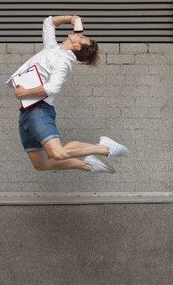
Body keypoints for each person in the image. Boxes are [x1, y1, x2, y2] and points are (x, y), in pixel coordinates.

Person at [7, 15, 130, 173]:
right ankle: (88, 165)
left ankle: (105, 148)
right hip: (26, 112)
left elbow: (52, 87)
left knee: (57, 153)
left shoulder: (64, 61)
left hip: (39, 109)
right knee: (41, 164)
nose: (80, 33)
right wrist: (69, 18)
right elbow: (49, 23)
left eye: (83, 37)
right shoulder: (53, 48)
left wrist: (26, 92)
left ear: (78, 47)